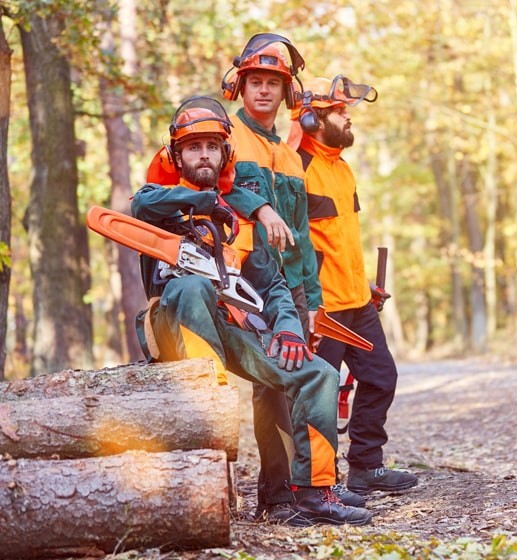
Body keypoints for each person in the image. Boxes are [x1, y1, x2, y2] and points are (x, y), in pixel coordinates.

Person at [132, 96, 372, 527]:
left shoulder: (240, 219)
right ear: (177, 154)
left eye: (210, 147)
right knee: (189, 286)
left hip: (231, 326)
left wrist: (288, 328)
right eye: (192, 148)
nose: (202, 155)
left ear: (224, 153)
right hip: (176, 326)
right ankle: (204, 404)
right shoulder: (160, 201)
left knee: (318, 374)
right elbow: (141, 205)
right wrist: (202, 204)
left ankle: (313, 492)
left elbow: (274, 283)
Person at [219, 34, 364, 517]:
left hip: (291, 290)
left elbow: (300, 238)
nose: (263, 91)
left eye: (272, 84)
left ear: (288, 94)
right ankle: (279, 494)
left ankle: (315, 483)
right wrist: (258, 207)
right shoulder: (226, 137)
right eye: (255, 82)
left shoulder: (287, 154)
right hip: (245, 284)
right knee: (274, 386)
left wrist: (313, 298)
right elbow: (209, 188)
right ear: (239, 87)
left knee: (303, 380)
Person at [291, 76, 418, 495]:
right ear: (312, 120)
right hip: (321, 308)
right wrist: (304, 303)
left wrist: (363, 283)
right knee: (320, 396)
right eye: (341, 112)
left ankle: (366, 467)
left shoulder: (341, 169)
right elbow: (295, 248)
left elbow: (338, 240)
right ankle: (318, 484)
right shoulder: (297, 169)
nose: (349, 119)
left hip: (356, 302)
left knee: (381, 377)